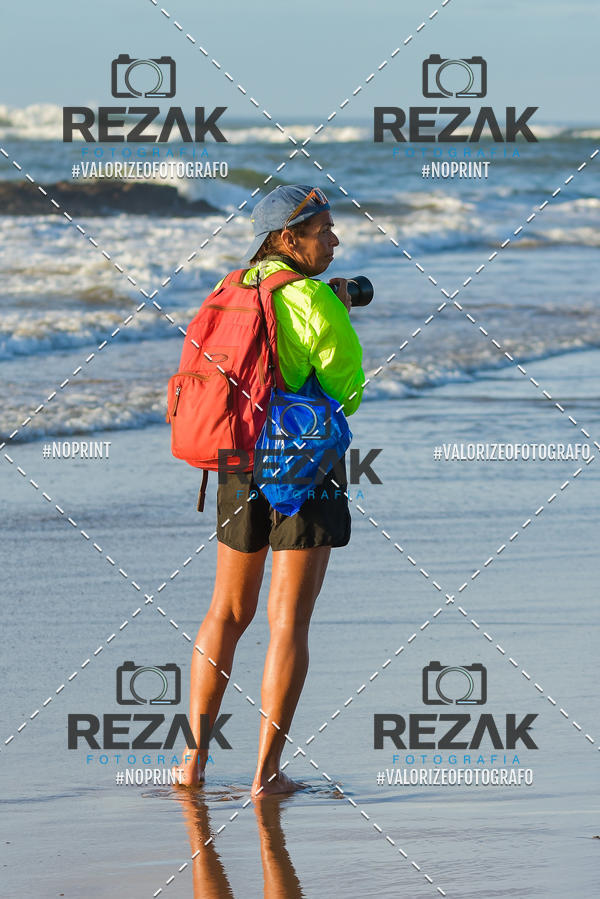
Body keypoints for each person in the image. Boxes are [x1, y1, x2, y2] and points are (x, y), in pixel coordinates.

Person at [174, 184, 365, 798]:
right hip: (303, 465)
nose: (334, 241)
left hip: (237, 459)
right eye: (324, 230)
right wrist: (330, 312)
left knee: (225, 613)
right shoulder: (311, 297)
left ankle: (192, 763)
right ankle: (265, 773)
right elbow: (348, 389)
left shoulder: (229, 288)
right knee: (288, 623)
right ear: (289, 237)